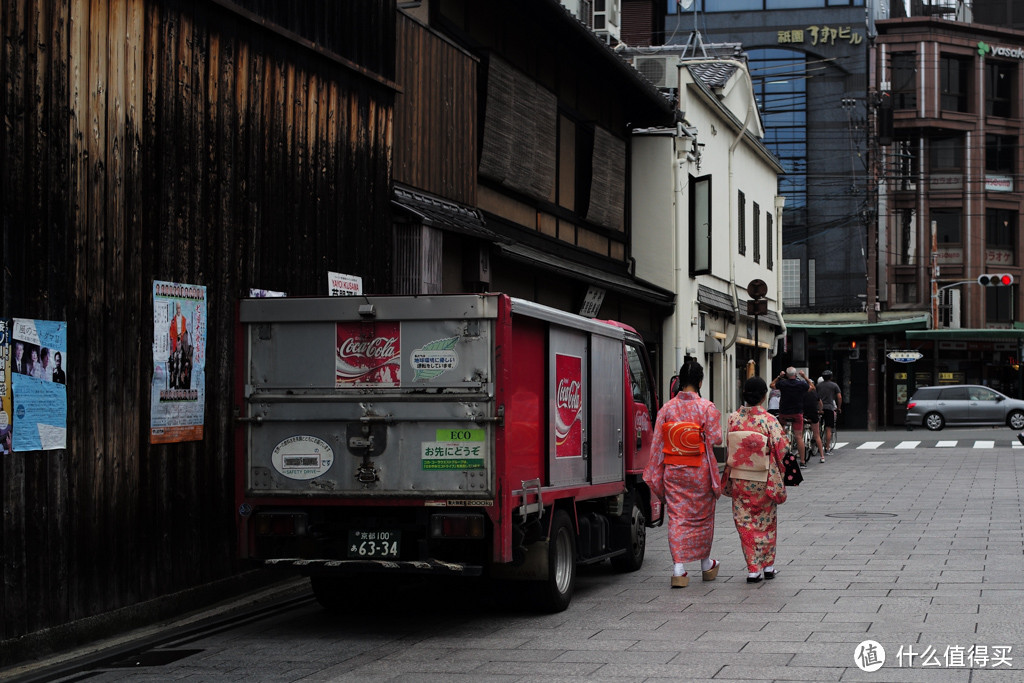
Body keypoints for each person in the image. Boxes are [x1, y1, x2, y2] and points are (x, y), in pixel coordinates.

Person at [643, 360, 723, 588]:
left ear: (679, 381)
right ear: (700, 382)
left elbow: (658, 442)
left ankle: (679, 567)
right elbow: (716, 437)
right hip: (699, 471)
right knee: (703, 517)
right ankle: (706, 563)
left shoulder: (666, 409)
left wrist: (655, 471)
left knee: (677, 517)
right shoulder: (706, 407)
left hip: (674, 469)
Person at [723, 376, 788, 583]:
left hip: (740, 477)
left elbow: (730, 445)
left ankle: (753, 569)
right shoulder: (769, 420)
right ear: (763, 396)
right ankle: (768, 565)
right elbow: (782, 448)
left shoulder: (734, 418)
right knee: (766, 522)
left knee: (745, 522)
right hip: (763, 478)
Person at [771, 367, 809, 467]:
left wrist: (779, 376)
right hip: (797, 413)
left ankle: (780, 457)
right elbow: (811, 387)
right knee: (799, 437)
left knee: (781, 434)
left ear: (787, 375)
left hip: (784, 413)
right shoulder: (801, 384)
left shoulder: (782, 383)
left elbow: (771, 385)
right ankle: (802, 461)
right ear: (795, 374)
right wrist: (804, 376)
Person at [816, 370, 842, 453]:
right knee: (828, 429)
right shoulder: (834, 385)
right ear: (831, 377)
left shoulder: (818, 386)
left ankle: (816, 446)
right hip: (829, 408)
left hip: (819, 408)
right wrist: (839, 407)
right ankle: (827, 448)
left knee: (817, 427)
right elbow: (839, 397)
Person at [803, 378, 825, 464]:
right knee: (817, 436)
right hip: (813, 415)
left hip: (804, 414)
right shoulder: (815, 394)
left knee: (800, 435)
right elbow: (820, 404)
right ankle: (822, 456)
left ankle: (800, 452)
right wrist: (820, 410)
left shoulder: (802, 393)